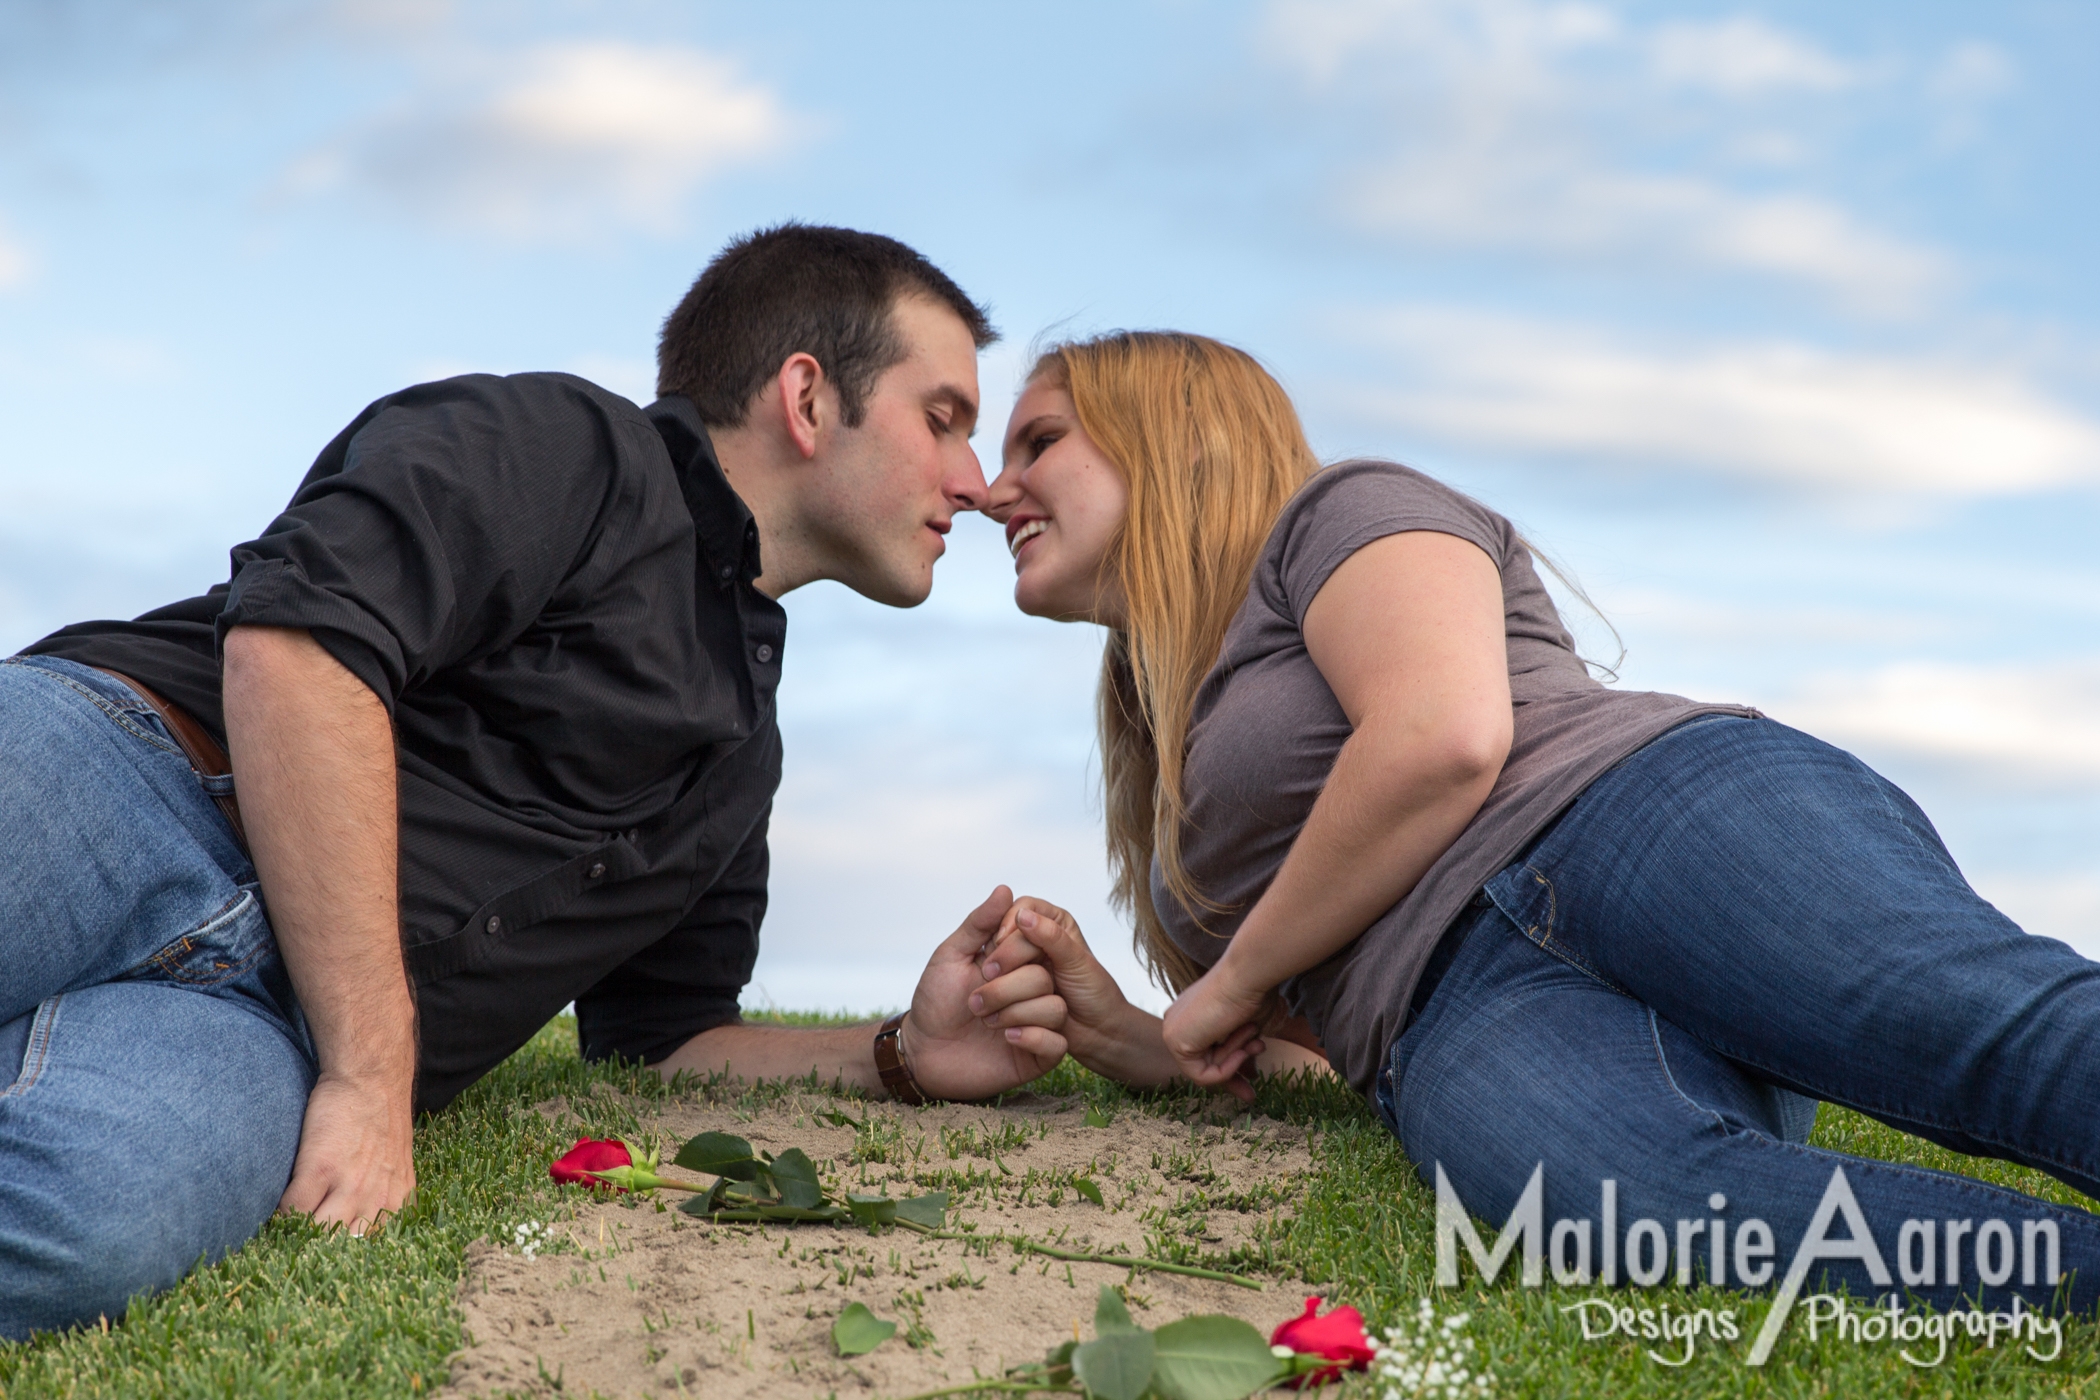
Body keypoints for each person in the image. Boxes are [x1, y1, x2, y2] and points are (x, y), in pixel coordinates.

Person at [0, 224, 1078, 1339]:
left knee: (86, 1232)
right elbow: (298, 646)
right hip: (136, 781)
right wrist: (373, 1080)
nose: (978, 480)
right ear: (807, 398)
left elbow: (665, 1043)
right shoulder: (575, 451)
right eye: (942, 417)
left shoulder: (740, 753)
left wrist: (903, 1051)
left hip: (255, 1032)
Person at [966, 329, 2100, 1315]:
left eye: (1039, 442)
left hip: (1635, 812)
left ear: (1175, 431)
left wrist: (1226, 979)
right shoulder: (1159, 746)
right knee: (1647, 1205)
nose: (990, 487)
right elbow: (1309, 1061)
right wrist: (1143, 1040)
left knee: (1967, 1023)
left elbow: (1442, 738)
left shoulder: (1337, 513)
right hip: (1445, 1013)